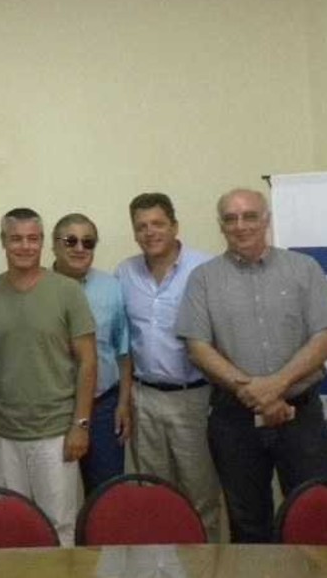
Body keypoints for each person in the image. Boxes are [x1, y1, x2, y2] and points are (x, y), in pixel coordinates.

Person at [176, 188, 327, 543]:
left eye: (250, 216)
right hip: (234, 419)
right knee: (248, 524)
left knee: (317, 515)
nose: (241, 225)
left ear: (266, 220)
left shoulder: (303, 268)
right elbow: (198, 348)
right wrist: (253, 392)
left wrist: (274, 386)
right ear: (221, 226)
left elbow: (324, 340)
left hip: (301, 416)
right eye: (231, 218)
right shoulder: (203, 278)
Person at [0, 207, 97, 546]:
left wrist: (80, 425)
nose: (25, 246)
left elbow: (88, 361)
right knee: (11, 524)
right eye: (16, 239)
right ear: (3, 242)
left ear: (43, 242)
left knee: (58, 527)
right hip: (2, 432)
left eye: (32, 239)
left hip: (55, 431)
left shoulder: (67, 291)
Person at [114, 192, 221, 539]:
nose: (150, 232)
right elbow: (124, 343)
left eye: (158, 223)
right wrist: (126, 400)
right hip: (144, 398)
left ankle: (206, 567)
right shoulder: (125, 272)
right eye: (141, 226)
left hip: (193, 398)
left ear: (174, 226)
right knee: (154, 493)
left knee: (199, 494)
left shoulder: (205, 270)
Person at [50, 213, 132, 496]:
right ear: (54, 246)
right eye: (70, 240)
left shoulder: (111, 288)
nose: (79, 248)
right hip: (55, 410)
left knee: (107, 498)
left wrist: (123, 403)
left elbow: (123, 350)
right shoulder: (38, 288)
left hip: (103, 409)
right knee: (57, 500)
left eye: (88, 242)